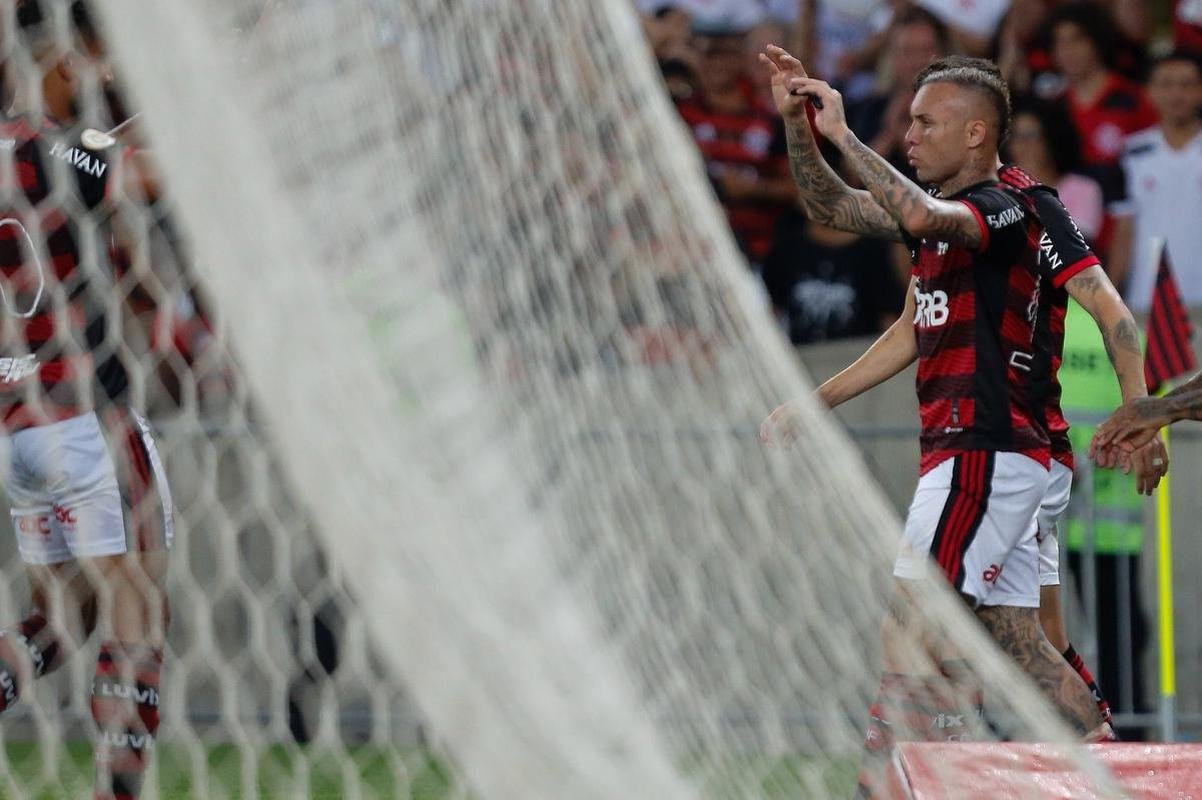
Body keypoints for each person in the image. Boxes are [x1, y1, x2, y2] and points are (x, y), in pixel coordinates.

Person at [757, 47, 1148, 792]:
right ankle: (1111, 769)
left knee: (916, 622)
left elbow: (921, 213)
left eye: (925, 122)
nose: (909, 135)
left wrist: (845, 135)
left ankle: (903, 780)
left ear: (976, 134)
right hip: (988, 452)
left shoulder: (1003, 207)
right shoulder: (944, 218)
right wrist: (799, 127)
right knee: (1019, 640)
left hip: (987, 449)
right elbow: (840, 220)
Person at [0, 5, 171, 799]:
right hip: (82, 414)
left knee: (61, 618)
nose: (96, 77)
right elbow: (139, 176)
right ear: (56, 60)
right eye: (86, 65)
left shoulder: (31, 149)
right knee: (137, 599)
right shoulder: (46, 146)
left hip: (19, 425)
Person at [676, 18, 796, 267]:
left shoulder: (770, 121)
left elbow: (796, 189)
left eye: (723, 54)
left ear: (742, 58)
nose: (714, 63)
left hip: (754, 250)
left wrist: (754, 189)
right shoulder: (678, 113)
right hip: (687, 246)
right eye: (705, 54)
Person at [1107, 51, 1202, 309]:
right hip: (1148, 298)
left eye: (1186, 85)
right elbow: (1124, 231)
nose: (1176, 94)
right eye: (1166, 85)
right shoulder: (1131, 153)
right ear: (1149, 92)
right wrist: (1109, 301)